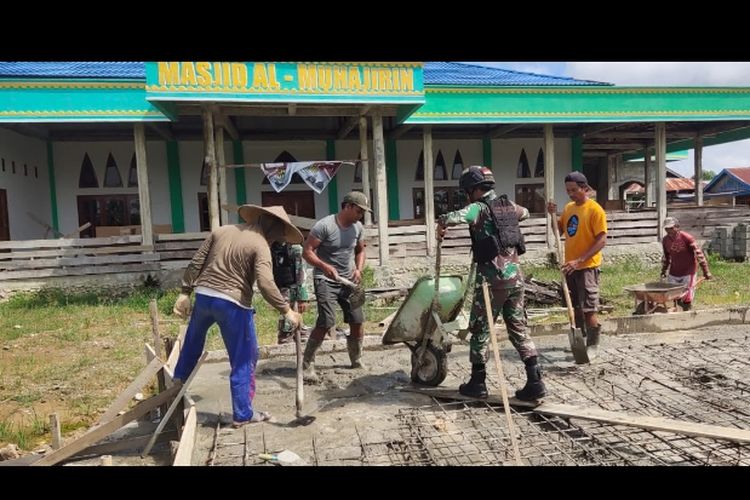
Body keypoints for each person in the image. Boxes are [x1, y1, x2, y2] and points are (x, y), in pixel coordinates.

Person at [172, 204, 303, 428]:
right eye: (279, 235)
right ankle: (243, 413)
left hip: (204, 297)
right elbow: (265, 283)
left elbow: (196, 262)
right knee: (244, 357)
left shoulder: (222, 230)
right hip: (232, 303)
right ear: (271, 226)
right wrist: (286, 310)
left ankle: (173, 392)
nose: (279, 240)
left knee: (192, 344)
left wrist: (185, 293)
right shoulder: (260, 245)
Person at [437, 165, 546, 401]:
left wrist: (442, 222)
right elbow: (525, 212)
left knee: (480, 330)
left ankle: (478, 383)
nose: (467, 195)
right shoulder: (509, 206)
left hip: (491, 281)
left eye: (467, 191)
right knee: (518, 328)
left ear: (475, 189)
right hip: (516, 278)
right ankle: (535, 381)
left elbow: (456, 216)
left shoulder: (477, 208)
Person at [301, 191, 369, 383]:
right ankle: (307, 365)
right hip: (326, 279)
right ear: (347, 207)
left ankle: (356, 359)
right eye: (358, 211)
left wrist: (359, 269)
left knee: (357, 320)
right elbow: (307, 252)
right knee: (327, 321)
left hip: (348, 281)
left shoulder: (358, 227)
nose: (360, 215)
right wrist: (325, 266)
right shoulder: (324, 226)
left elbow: (360, 251)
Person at [547, 171, 607, 350]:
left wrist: (579, 261)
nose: (571, 194)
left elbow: (602, 240)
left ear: (585, 188)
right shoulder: (569, 208)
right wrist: (553, 215)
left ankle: (593, 345)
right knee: (575, 309)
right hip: (570, 267)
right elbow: (559, 230)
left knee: (589, 309)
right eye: (568, 190)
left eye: (574, 190)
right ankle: (580, 342)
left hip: (587, 267)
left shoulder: (595, 210)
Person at [660, 216, 713, 311]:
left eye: (671, 228)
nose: (669, 231)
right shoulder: (665, 240)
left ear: (677, 227)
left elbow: (699, 254)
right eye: (666, 228)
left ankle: (687, 310)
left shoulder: (687, 238)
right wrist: (664, 270)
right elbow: (666, 257)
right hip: (674, 271)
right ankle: (677, 311)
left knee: (687, 296)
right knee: (674, 294)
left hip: (688, 271)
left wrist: (706, 271)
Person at [273, 241, 311, 344]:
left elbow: (301, 272)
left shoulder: (296, 248)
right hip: (279, 287)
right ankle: (285, 334)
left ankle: (294, 332)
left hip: (293, 287)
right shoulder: (272, 247)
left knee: (293, 319)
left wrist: (302, 297)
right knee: (284, 314)